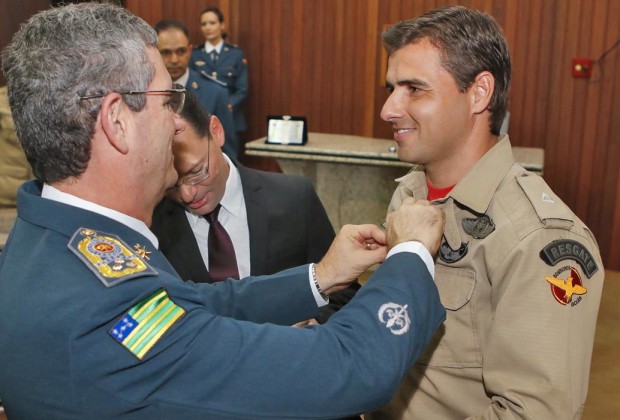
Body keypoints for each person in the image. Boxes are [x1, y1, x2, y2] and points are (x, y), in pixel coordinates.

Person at [0, 3, 447, 418]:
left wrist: (322, 276)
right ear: (118, 121)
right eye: (168, 99)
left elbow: (192, 303)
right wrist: (409, 253)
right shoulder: (106, 305)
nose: (177, 121)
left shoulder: (51, 238)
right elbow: (349, 367)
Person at [369, 6, 605, 419]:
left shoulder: (538, 237)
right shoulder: (409, 196)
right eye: (391, 89)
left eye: (414, 89)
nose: (388, 109)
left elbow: (532, 413)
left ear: (479, 93)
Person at [151, 91, 358, 324]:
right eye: (171, 183)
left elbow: (344, 294)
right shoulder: (151, 222)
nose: (187, 194)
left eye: (197, 172)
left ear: (216, 131)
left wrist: (314, 325)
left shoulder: (294, 199)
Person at [154, 19, 239, 160]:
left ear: (190, 50)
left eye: (181, 51)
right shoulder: (141, 92)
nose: (174, 60)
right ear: (154, 52)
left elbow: (228, 156)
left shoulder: (215, 93)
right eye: (166, 52)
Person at [190, 6, 248, 150]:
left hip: (230, 116)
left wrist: (228, 105)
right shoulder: (194, 54)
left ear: (222, 25)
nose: (207, 27)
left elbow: (242, 89)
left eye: (212, 23)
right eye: (204, 24)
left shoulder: (235, 54)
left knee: (230, 159)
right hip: (202, 116)